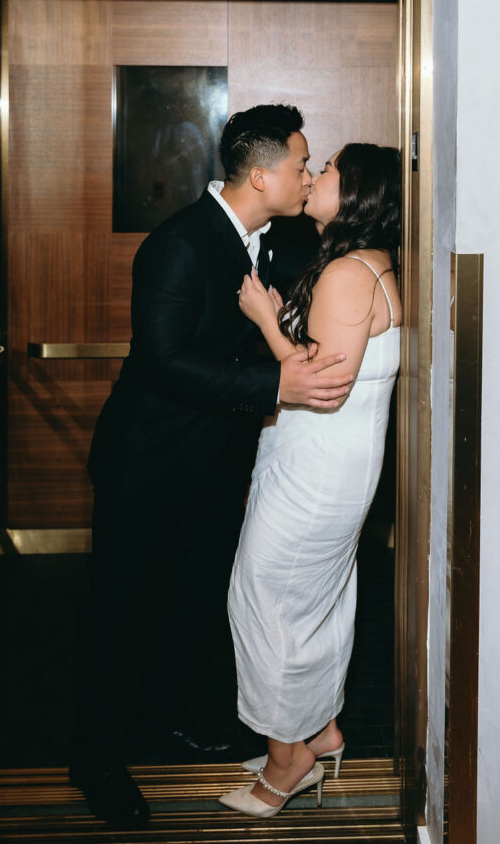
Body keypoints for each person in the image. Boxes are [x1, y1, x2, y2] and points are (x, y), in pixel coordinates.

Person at [70, 104, 355, 827]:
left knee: (196, 607)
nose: (306, 173)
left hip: (218, 466)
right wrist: (273, 386)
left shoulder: (271, 240)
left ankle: (161, 719)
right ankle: (94, 756)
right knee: (120, 612)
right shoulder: (178, 245)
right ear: (260, 175)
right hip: (149, 463)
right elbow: (163, 362)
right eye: (299, 163)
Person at [219, 142, 402, 818]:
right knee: (314, 606)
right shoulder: (367, 264)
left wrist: (266, 319)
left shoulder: (349, 273)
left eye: (328, 172)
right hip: (330, 465)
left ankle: (284, 761)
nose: (316, 175)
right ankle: (316, 731)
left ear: (353, 194)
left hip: (317, 468)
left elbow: (320, 386)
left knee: (264, 603)